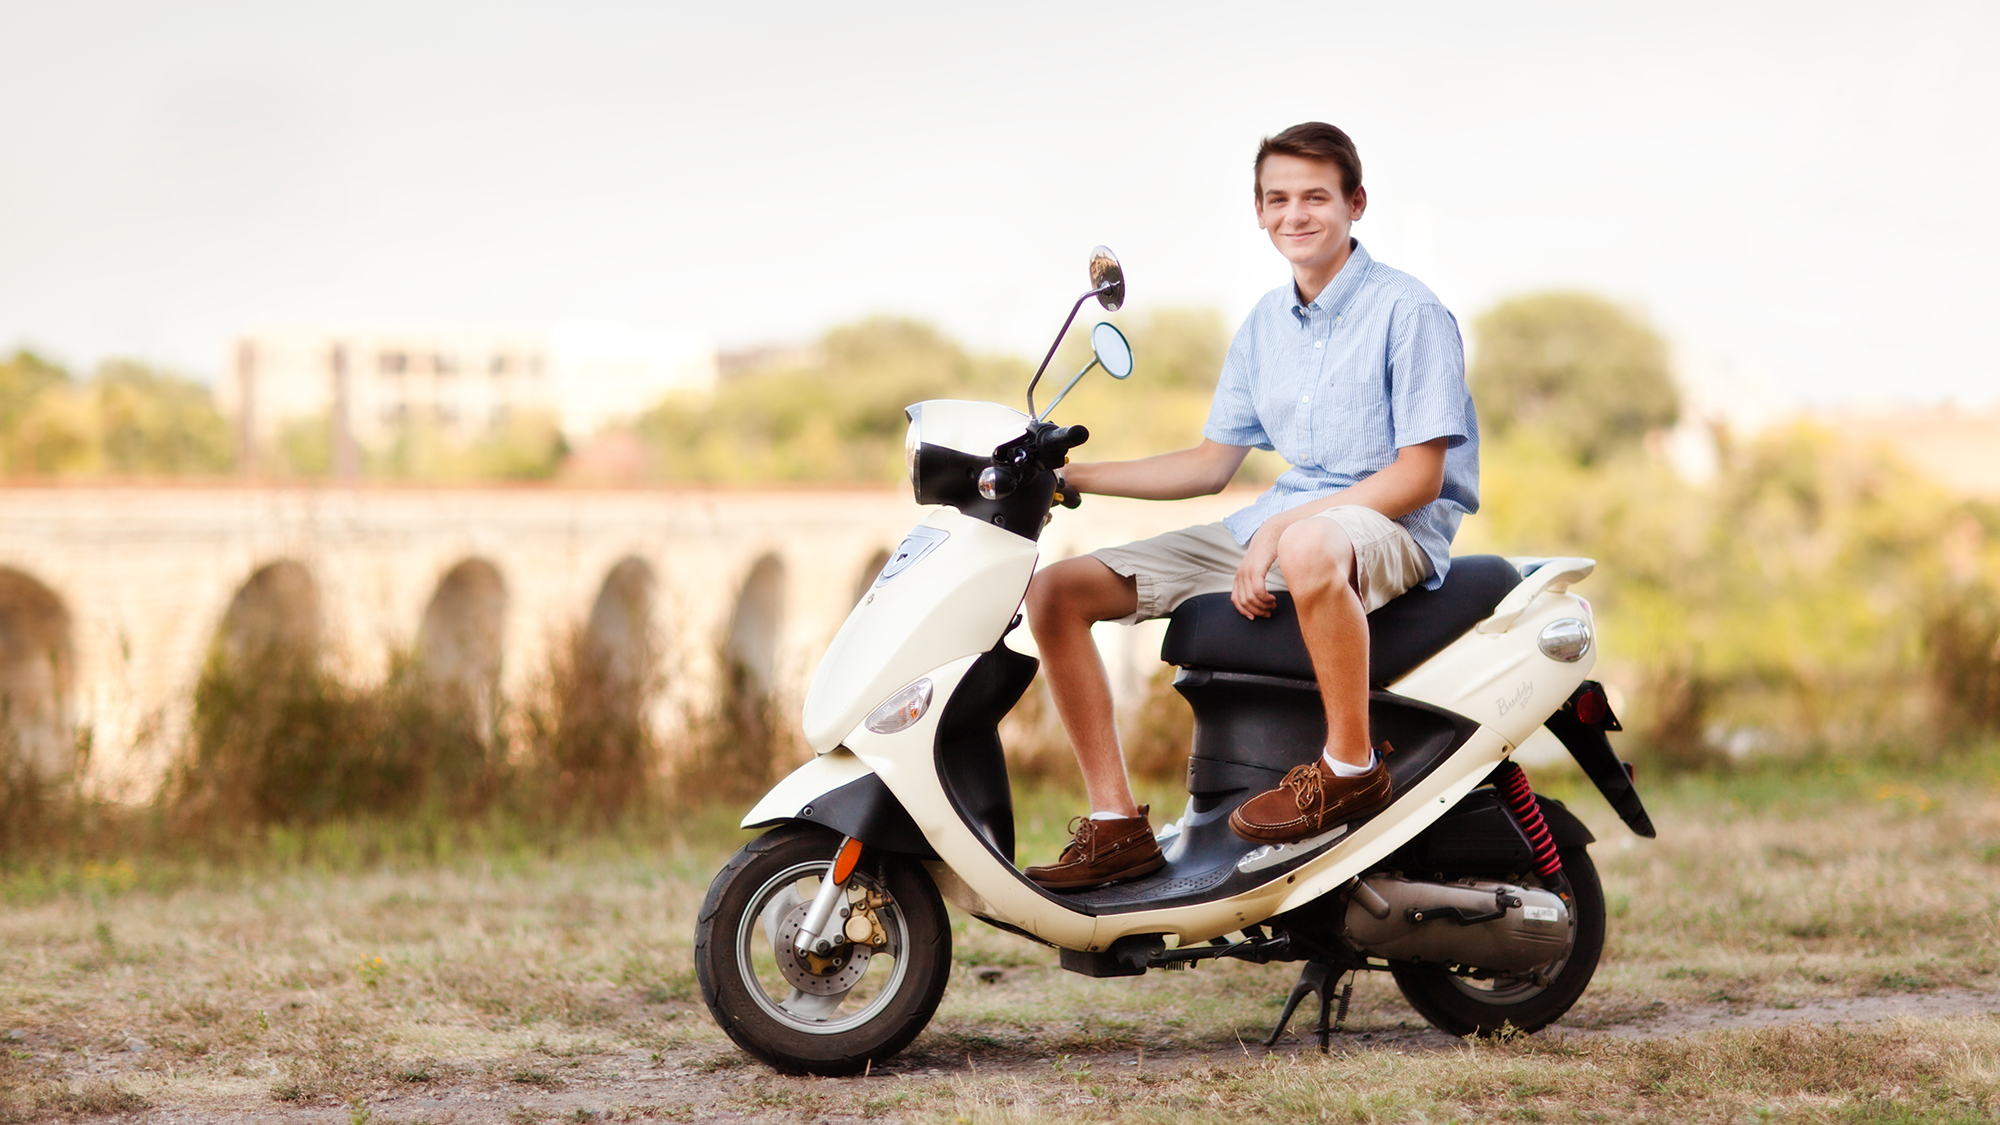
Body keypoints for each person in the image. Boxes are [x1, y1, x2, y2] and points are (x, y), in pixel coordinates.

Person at [1021, 122, 1480, 891]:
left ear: (1354, 203)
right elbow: (1209, 464)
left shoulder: (1411, 311)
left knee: (1303, 547)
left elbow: (1418, 478)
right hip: (1288, 518)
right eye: (1278, 199)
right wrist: (1072, 476)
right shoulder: (1266, 323)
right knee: (1056, 592)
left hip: (1394, 526)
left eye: (1315, 197)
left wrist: (1284, 524)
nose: (1296, 214)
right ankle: (1115, 826)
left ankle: (1349, 765)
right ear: (1260, 214)